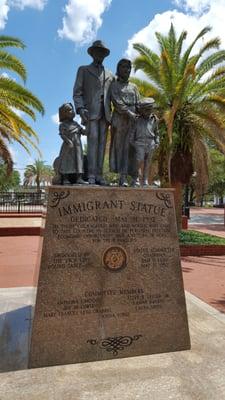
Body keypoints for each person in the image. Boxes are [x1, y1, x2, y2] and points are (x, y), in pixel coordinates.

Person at [73, 40, 114, 185]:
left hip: (105, 114)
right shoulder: (83, 70)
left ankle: (99, 175)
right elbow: (77, 93)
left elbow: (114, 95)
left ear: (105, 55)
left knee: (102, 145)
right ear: (92, 53)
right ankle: (91, 174)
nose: (100, 54)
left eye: (102, 52)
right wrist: (80, 108)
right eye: (97, 51)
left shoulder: (110, 74)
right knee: (93, 142)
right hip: (90, 113)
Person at [109, 58, 140, 186]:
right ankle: (122, 177)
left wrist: (144, 114)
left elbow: (138, 103)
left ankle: (135, 177)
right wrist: (129, 113)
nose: (127, 70)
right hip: (120, 121)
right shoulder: (114, 85)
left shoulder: (134, 87)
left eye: (129, 68)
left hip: (134, 122)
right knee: (121, 149)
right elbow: (116, 102)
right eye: (124, 67)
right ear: (118, 69)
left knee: (133, 149)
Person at [53, 103, 85, 185]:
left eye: (72, 109)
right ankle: (66, 178)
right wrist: (68, 141)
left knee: (79, 160)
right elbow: (62, 135)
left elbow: (83, 132)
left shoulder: (76, 124)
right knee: (67, 162)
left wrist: (88, 124)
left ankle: (79, 178)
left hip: (77, 146)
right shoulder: (63, 125)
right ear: (64, 113)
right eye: (69, 110)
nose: (72, 112)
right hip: (68, 147)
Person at [130, 98, 159, 187]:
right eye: (146, 109)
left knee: (148, 163)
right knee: (139, 161)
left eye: (150, 109)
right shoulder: (137, 120)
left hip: (151, 142)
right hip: (140, 142)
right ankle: (136, 179)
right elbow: (132, 133)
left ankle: (145, 180)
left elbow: (157, 132)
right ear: (142, 110)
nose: (148, 111)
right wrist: (133, 142)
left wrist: (157, 141)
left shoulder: (154, 119)